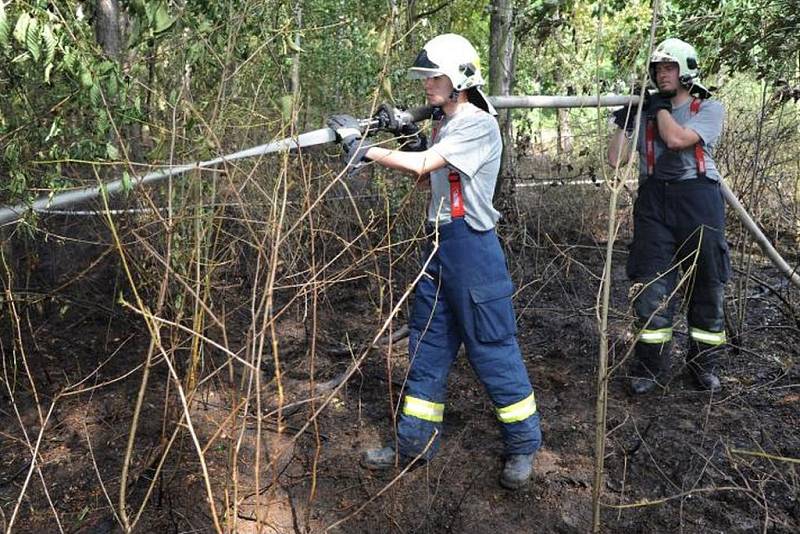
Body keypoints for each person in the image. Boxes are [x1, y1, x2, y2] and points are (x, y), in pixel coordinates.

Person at [327, 33, 542, 489]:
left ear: (460, 78)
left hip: (474, 252)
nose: (427, 85)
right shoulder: (446, 126)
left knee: (492, 350)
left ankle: (523, 445)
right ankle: (414, 443)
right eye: (425, 77)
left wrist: (362, 149)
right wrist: (405, 135)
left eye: (435, 77)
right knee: (426, 346)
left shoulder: (478, 124)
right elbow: (429, 181)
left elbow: (424, 167)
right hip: (438, 246)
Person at [608, 38, 729, 394]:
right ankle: (649, 367)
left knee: (707, 285)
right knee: (650, 286)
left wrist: (658, 108)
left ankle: (702, 367)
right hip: (653, 204)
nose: (662, 75)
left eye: (669, 68)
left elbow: (676, 140)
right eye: (658, 69)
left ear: (686, 70)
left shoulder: (707, 109)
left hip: (698, 200)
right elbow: (615, 160)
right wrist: (624, 123)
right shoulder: (645, 111)